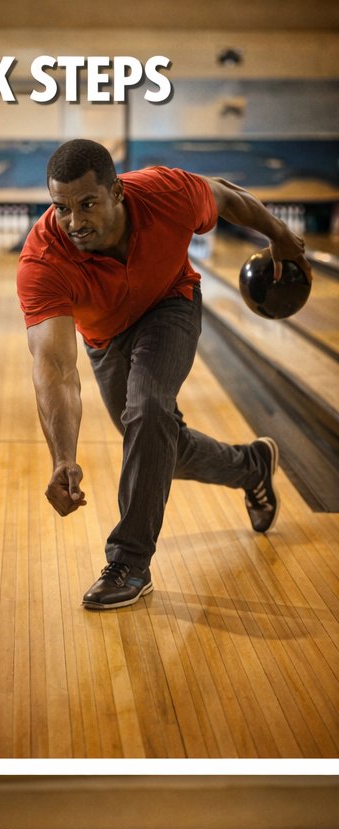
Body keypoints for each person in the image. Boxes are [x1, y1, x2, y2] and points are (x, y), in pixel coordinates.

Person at [17, 139, 312, 611]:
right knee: (159, 447)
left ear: (116, 191)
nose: (73, 222)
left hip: (169, 304)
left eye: (87, 204)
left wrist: (277, 233)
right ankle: (252, 466)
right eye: (61, 208)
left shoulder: (166, 192)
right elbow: (54, 367)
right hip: (105, 341)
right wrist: (62, 456)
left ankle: (129, 562)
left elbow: (228, 197)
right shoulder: (43, 259)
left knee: (148, 409)